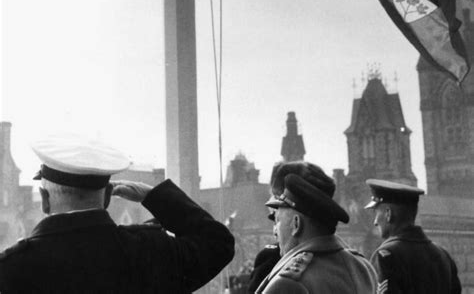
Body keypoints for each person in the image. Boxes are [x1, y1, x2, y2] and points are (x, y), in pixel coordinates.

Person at [0, 133, 234, 293]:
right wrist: (155, 197)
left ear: (44, 200)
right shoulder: (150, 251)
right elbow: (218, 242)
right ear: (108, 196)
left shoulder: (11, 268)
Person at [254, 161, 377, 293]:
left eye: (277, 221)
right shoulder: (362, 267)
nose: (275, 230)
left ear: (296, 224)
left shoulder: (288, 284)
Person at [365, 178, 461, 294]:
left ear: (388, 214)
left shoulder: (386, 256)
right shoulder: (443, 255)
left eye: (376, 213)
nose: (375, 221)